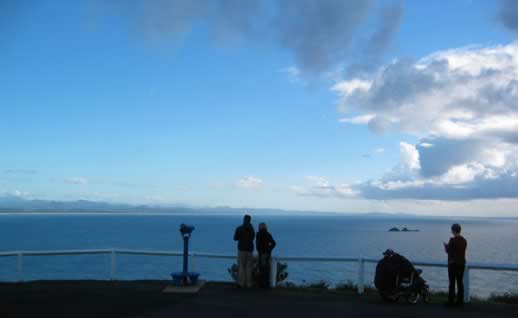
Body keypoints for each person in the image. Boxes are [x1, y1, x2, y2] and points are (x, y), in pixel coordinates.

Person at [443, 223, 468, 307]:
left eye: (451, 230)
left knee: (452, 283)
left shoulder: (452, 240)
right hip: (461, 264)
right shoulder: (464, 241)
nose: (451, 231)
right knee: (460, 283)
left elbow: (449, 251)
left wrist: (446, 246)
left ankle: (451, 302)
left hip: (453, 264)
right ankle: (460, 302)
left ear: (453, 230)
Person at [233, 214, 255, 288]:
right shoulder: (252, 229)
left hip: (242, 249)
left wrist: (240, 236)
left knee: (241, 266)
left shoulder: (239, 228)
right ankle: (249, 283)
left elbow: (235, 238)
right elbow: (252, 238)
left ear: (244, 219)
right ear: (250, 220)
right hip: (249, 250)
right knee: (249, 267)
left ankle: (241, 283)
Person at [256, 223, 277, 288]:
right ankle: (266, 283)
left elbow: (257, 245)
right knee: (266, 268)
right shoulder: (268, 234)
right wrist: (269, 249)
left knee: (261, 268)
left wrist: (259, 250)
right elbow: (274, 243)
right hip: (267, 253)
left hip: (262, 253)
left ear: (260, 227)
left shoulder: (258, 234)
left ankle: (262, 284)